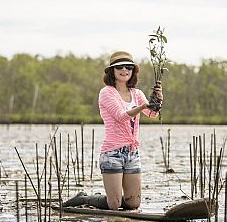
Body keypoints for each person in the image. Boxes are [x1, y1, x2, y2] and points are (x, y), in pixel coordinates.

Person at [62, 51, 163, 210]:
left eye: (128, 67)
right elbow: (120, 116)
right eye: (120, 67)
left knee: (133, 204)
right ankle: (86, 199)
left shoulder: (136, 93)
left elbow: (152, 114)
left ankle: (108, 197)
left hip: (132, 153)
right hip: (112, 153)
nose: (125, 70)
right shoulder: (106, 92)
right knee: (114, 205)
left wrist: (158, 100)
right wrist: (143, 106)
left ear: (133, 71)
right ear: (112, 71)